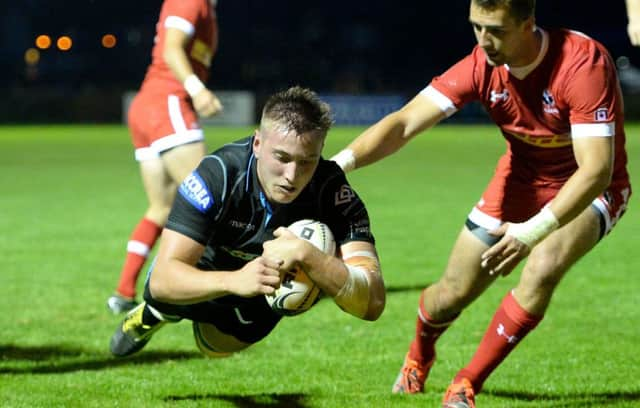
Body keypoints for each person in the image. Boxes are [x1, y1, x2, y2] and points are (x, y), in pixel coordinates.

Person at [331, 0, 631, 406]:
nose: (485, 41)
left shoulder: (582, 63)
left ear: (528, 23)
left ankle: (466, 383)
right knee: (451, 293)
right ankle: (418, 356)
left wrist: (535, 230)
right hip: (519, 180)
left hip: (591, 187)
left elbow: (595, 169)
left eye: (497, 30)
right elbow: (404, 123)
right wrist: (338, 165)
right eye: (476, 27)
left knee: (544, 265)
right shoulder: (480, 66)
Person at [109, 86, 386, 358]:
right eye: (282, 157)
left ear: (321, 150)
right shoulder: (219, 174)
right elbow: (162, 280)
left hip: (263, 292)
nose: (292, 174)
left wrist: (309, 255)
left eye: (307, 161)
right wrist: (235, 280)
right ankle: (153, 314)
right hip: (205, 267)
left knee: (214, 348)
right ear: (257, 143)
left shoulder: (334, 195)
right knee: (164, 296)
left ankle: (186, 316)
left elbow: (373, 303)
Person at [107, 0, 224, 314]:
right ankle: (206, 292)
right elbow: (172, 48)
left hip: (150, 105)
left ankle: (124, 291)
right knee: (210, 198)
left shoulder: (205, 7)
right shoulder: (191, 0)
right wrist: (197, 90)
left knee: (163, 207)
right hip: (167, 103)